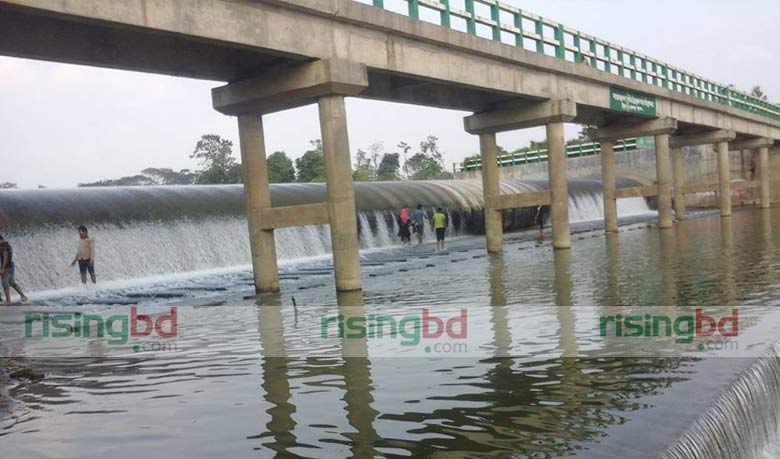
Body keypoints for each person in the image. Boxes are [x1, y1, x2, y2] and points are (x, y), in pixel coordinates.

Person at [0, 234, 28, 305]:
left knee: (4, 282)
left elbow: (5, 257)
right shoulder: (8, 245)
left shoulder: (3, 247)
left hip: (6, 267)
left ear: (1, 240)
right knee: (11, 282)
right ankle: (23, 296)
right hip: (11, 265)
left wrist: (3, 268)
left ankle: (8, 301)